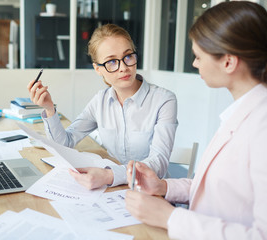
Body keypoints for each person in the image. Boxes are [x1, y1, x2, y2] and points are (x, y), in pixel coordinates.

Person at [125, 1, 267, 239]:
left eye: (199, 56)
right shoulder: (240, 112)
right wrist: (162, 187)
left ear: (228, 62)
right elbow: (213, 190)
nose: (194, 63)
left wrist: (169, 217)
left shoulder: (262, 127)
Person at [28, 24, 178, 190]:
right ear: (98, 69)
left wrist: (109, 175)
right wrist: (49, 109)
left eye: (128, 56)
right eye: (112, 62)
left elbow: (159, 162)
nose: (123, 67)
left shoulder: (164, 100)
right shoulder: (100, 101)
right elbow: (64, 143)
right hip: (113, 190)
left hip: (150, 190)